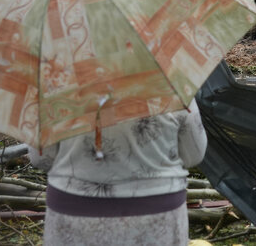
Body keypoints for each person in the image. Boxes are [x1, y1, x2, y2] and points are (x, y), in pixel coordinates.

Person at [28, 103, 207, 246]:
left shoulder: (57, 91)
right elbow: (194, 154)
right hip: (157, 212)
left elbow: (41, 159)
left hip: (73, 211)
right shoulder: (171, 85)